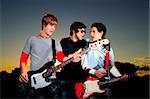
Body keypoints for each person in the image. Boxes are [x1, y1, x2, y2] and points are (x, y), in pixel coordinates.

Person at [18, 14, 67, 98]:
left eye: (55, 26)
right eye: (51, 25)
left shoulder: (56, 42)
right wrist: (23, 71)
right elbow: (23, 58)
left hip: (52, 81)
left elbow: (61, 57)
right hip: (36, 80)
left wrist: (73, 56)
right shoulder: (32, 39)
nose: (53, 28)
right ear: (44, 24)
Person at [77, 22, 123, 98]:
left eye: (94, 31)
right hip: (91, 83)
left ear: (101, 33)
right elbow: (84, 66)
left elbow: (112, 67)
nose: (91, 34)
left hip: (106, 84)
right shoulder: (86, 47)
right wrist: (95, 72)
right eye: (90, 32)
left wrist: (120, 76)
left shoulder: (108, 49)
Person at [58, 21, 87, 98]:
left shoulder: (84, 42)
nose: (83, 33)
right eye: (81, 31)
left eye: (84, 31)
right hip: (65, 78)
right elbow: (63, 57)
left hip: (80, 79)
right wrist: (74, 55)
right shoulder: (64, 41)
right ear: (74, 31)